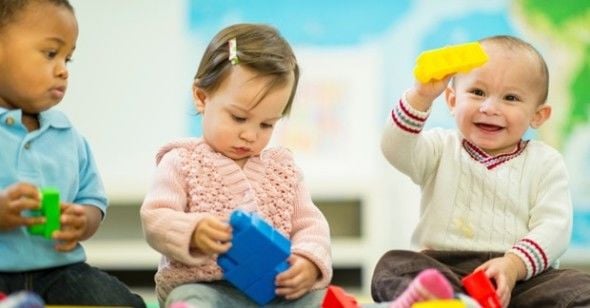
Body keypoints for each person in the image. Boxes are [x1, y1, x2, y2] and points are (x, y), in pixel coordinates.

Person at [371, 35, 590, 307]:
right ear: (452, 100)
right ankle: (451, 301)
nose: (489, 108)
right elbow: (395, 148)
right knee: (393, 266)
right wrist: (421, 96)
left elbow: (554, 229)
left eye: (510, 98)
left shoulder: (546, 162)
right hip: (445, 268)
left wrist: (513, 265)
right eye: (477, 93)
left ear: (538, 115)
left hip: (521, 277)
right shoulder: (440, 147)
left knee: (579, 287)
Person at [140, 23, 332, 307]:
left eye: (267, 124)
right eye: (239, 118)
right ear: (202, 97)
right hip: (209, 287)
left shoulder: (284, 169)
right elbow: (155, 218)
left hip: (275, 289)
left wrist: (307, 260)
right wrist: (192, 231)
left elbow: (310, 225)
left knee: (319, 296)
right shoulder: (180, 161)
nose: (250, 135)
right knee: (189, 300)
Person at [0, 0, 145, 307]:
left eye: (68, 59)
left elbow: (92, 200)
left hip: (60, 270)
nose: (63, 70)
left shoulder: (68, 135)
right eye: (51, 53)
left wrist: (83, 221)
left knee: (120, 301)